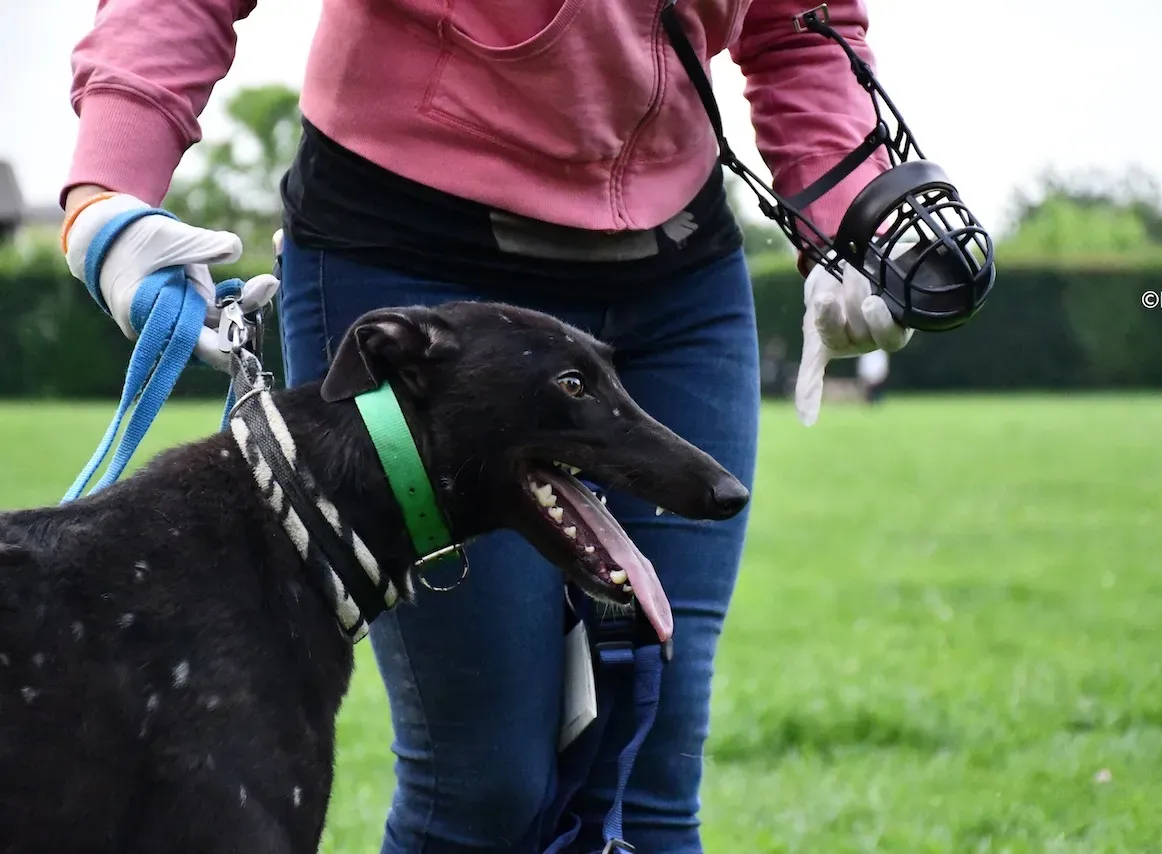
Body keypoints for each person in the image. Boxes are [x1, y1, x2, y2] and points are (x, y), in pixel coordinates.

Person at [58, 2, 913, 851]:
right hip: (411, 274)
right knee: (483, 789)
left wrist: (844, 222)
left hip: (675, 280)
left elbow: (800, 22)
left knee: (649, 778)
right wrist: (108, 189)